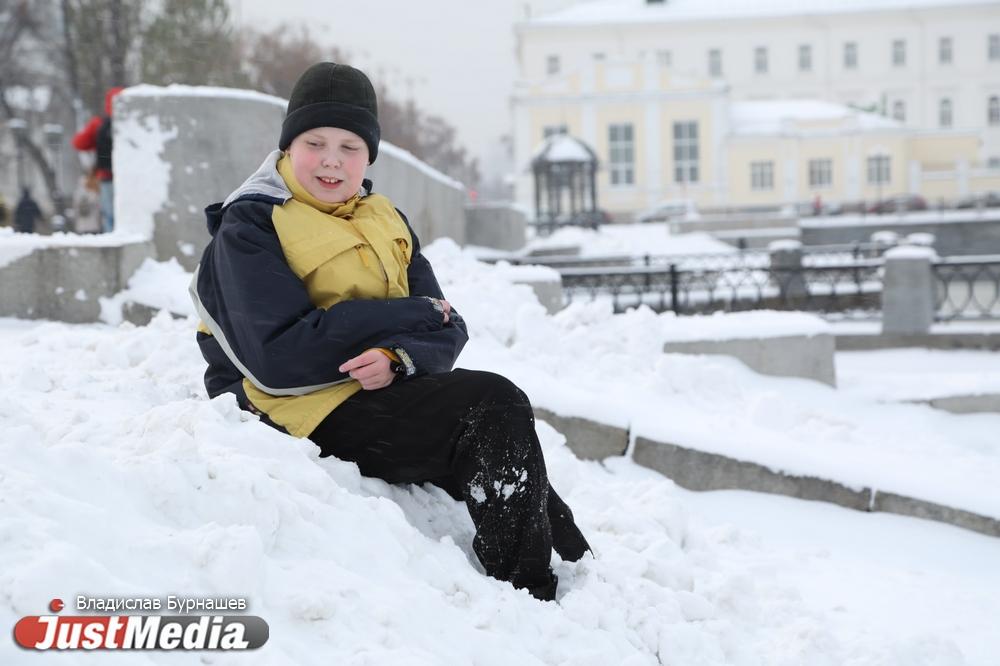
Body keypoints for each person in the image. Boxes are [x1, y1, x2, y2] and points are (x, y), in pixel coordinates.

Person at [190, 62, 591, 601]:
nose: (332, 160)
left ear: (369, 155)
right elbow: (279, 357)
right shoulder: (251, 224)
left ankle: (584, 582)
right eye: (316, 142)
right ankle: (529, 596)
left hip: (371, 391)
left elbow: (447, 323)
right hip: (292, 411)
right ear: (287, 147)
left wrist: (400, 356)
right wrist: (402, 319)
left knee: (513, 452)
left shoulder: (385, 218)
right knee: (492, 402)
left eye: (350, 146)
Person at [72, 86, 124, 233]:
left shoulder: (99, 124)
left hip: (107, 177)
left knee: (109, 215)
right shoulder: (132, 123)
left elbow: (79, 143)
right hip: (129, 179)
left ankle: (113, 242)